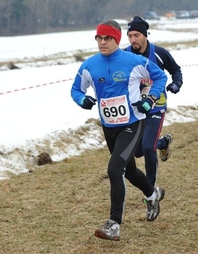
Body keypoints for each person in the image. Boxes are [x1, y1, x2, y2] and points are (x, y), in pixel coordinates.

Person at [70, 19, 167, 241]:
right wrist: (82, 100)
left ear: (117, 39)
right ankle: (153, 194)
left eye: (108, 38)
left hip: (132, 123)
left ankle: (113, 224)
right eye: (99, 38)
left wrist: (150, 99)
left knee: (115, 169)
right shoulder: (89, 65)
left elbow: (160, 77)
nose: (102, 42)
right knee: (130, 171)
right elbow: (76, 89)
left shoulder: (134, 61)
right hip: (109, 126)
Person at [125, 16, 183, 187]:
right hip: (135, 109)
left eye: (137, 35)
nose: (133, 39)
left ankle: (151, 190)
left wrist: (176, 83)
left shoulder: (159, 53)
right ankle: (163, 142)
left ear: (145, 35)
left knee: (149, 148)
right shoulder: (125, 55)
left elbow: (175, 70)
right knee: (138, 151)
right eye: (130, 36)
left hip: (156, 107)